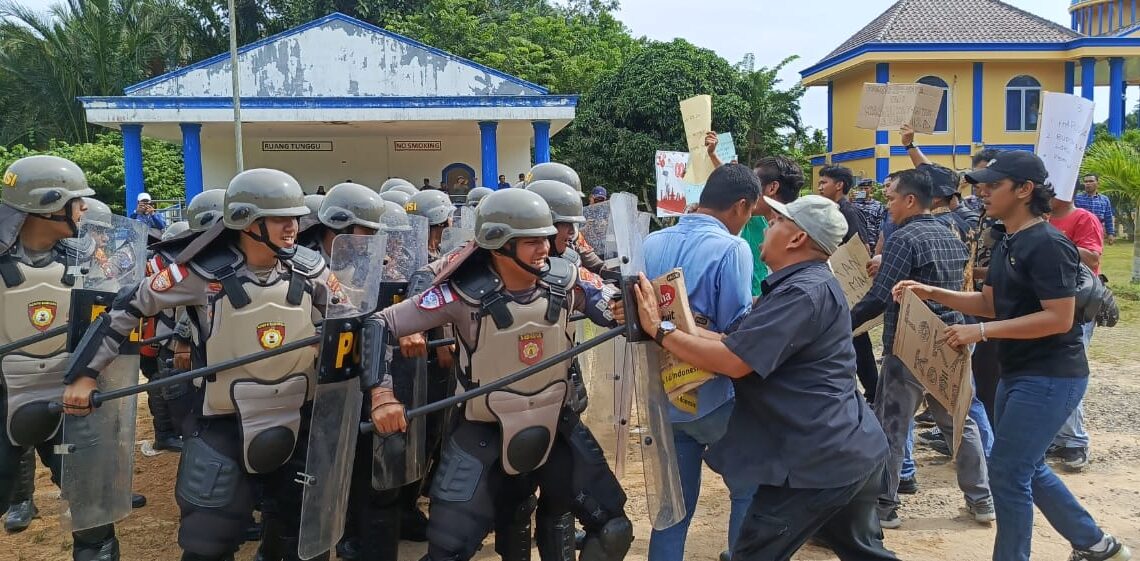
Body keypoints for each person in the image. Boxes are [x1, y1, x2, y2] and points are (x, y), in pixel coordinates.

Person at [63, 168, 354, 561]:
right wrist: (84, 375)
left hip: (297, 418)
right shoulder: (200, 273)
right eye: (281, 218)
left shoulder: (312, 268)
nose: (294, 226)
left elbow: (349, 322)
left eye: (296, 217)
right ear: (249, 222)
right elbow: (127, 308)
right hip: (223, 425)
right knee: (207, 540)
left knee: (299, 538)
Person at [626, 194, 897, 561]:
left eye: (773, 223)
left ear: (796, 238)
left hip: (815, 461)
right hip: (849, 450)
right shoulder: (799, 285)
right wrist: (662, 322)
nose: (765, 230)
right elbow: (732, 341)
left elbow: (734, 360)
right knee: (861, 552)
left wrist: (660, 332)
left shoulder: (802, 292)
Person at [369, 189, 632, 561]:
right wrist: (382, 394)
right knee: (447, 552)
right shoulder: (459, 295)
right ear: (499, 244)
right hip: (482, 433)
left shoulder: (567, 279)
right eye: (531, 241)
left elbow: (609, 306)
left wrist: (628, 304)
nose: (544, 248)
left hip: (556, 426)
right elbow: (379, 325)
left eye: (545, 238)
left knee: (613, 530)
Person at [899, 150, 1131, 561]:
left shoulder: (1047, 243)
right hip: (1019, 371)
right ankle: (1095, 543)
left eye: (993, 185)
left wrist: (982, 332)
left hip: (1051, 376)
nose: (983, 193)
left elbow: (1058, 319)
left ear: (1025, 190)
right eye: (981, 185)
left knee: (1007, 473)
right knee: (1025, 467)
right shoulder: (1010, 239)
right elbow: (990, 303)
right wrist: (933, 292)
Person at [850, 168, 994, 529]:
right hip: (951, 338)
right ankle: (981, 499)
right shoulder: (951, 234)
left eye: (891, 198)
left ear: (910, 200)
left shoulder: (903, 237)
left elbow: (880, 298)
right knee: (958, 423)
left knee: (893, 426)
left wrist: (839, 324)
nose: (888, 206)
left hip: (909, 343)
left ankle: (884, 506)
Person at [0, 155, 128, 560]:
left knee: (93, 507)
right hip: (5, 395)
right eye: (78, 200)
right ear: (48, 204)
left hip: (69, 397)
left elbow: (110, 324)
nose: (85, 208)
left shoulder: (84, 258)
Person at [641, 164, 757, 561]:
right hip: (713, 394)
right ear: (741, 207)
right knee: (749, 487)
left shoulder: (652, 242)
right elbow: (735, 332)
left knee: (674, 500)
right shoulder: (733, 248)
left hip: (663, 390)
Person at [1046, 190, 1105, 472]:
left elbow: (1093, 258)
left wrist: (1053, 243)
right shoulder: (1042, 219)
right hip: (1049, 303)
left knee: (1068, 373)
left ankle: (1075, 441)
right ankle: (1058, 437)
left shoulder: (1083, 218)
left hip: (1078, 306)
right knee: (1049, 373)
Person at [817, 165, 878, 405]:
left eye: (824, 182)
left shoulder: (848, 212)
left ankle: (873, 392)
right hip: (836, 282)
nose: (820, 186)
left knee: (858, 340)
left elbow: (859, 246)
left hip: (848, 284)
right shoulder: (830, 210)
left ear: (839, 185)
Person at [742, 156, 804, 297]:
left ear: (772, 188)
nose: (746, 191)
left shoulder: (796, 240)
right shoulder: (758, 220)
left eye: (753, 185)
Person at [1075, 174, 1115, 244]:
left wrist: (1110, 234)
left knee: (1095, 253)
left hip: (1098, 233)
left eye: (1091, 181)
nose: (1088, 183)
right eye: (1086, 181)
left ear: (1098, 183)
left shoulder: (1104, 200)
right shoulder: (1077, 198)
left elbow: (1108, 218)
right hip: (1080, 233)